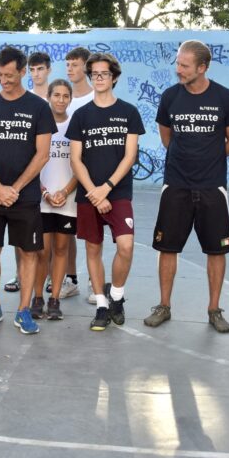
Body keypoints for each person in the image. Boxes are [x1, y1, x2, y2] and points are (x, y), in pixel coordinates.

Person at [147, 40, 229, 333]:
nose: (178, 69)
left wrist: (208, 158)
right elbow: (167, 138)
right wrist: (187, 158)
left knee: (216, 250)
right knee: (167, 247)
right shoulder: (170, 97)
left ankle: (214, 310)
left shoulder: (225, 98)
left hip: (212, 186)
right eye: (177, 63)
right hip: (176, 184)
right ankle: (164, 306)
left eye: (184, 65)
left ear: (202, 67)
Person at [0, 46, 56, 334]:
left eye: (9, 75)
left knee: (29, 252)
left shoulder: (39, 107)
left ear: (22, 72)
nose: (4, 80)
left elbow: (42, 154)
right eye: (0, 75)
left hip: (25, 197)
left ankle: (23, 310)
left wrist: (15, 189)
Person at [67, 53, 145, 330]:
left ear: (114, 77)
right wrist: (93, 192)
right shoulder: (81, 115)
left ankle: (117, 297)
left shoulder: (129, 112)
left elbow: (130, 156)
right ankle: (101, 305)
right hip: (89, 194)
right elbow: (75, 159)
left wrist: (107, 188)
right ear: (90, 78)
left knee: (126, 246)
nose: (99, 78)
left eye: (105, 73)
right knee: (93, 248)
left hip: (118, 191)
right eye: (95, 74)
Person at [33, 79, 76, 321]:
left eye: (65, 95)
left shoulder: (75, 124)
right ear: (48, 96)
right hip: (42, 200)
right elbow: (32, 163)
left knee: (61, 249)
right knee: (42, 252)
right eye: (56, 95)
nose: (61, 100)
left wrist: (65, 192)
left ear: (70, 98)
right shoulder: (39, 124)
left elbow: (80, 166)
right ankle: (37, 298)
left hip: (67, 200)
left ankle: (55, 299)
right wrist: (45, 192)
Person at [59, 46, 94, 300]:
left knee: (93, 234)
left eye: (75, 64)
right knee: (65, 232)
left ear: (86, 67)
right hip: (65, 175)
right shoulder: (63, 98)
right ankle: (70, 279)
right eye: (67, 64)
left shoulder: (95, 98)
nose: (70, 69)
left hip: (91, 176)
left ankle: (95, 282)